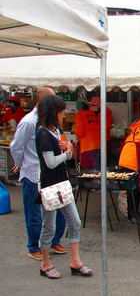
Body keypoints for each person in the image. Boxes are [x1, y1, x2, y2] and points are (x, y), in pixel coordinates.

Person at [36, 95, 93, 279]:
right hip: (49, 186)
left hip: (63, 183)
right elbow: (50, 162)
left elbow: (65, 155)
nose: (63, 114)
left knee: (75, 222)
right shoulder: (42, 133)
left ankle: (75, 261)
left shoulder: (56, 130)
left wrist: (68, 148)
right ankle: (45, 264)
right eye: (60, 111)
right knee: (49, 227)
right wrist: (68, 152)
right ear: (53, 112)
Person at [10, 87, 66, 261]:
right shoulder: (28, 122)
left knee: (58, 210)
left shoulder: (51, 121)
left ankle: (53, 240)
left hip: (52, 174)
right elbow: (16, 147)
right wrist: (21, 164)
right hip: (33, 173)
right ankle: (34, 246)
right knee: (35, 214)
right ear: (43, 101)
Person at [75, 96, 112, 170]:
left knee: (90, 172)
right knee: (99, 169)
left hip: (88, 147)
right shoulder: (93, 114)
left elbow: (80, 131)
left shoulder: (79, 115)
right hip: (100, 145)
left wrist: (77, 137)